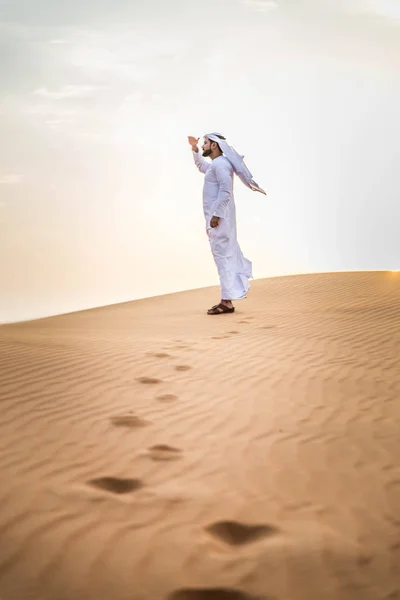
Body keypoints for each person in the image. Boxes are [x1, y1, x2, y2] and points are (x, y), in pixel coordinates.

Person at [188, 132, 266, 315]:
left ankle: (226, 302)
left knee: (223, 257)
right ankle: (226, 300)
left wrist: (216, 216)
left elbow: (225, 191)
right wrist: (194, 149)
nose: (204, 145)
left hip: (220, 221)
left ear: (214, 145)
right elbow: (201, 166)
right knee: (222, 257)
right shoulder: (216, 164)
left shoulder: (221, 165)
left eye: (205, 143)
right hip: (218, 221)